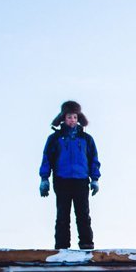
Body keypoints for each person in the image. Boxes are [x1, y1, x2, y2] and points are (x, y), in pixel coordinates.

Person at [39, 100, 101, 250]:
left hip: (81, 180)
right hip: (62, 180)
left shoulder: (86, 139)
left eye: (74, 117)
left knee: (83, 214)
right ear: (63, 118)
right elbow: (47, 158)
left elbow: (94, 159)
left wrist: (95, 179)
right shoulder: (55, 139)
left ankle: (86, 245)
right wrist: (44, 179)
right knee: (62, 215)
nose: (72, 120)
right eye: (69, 117)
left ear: (78, 118)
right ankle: (62, 247)